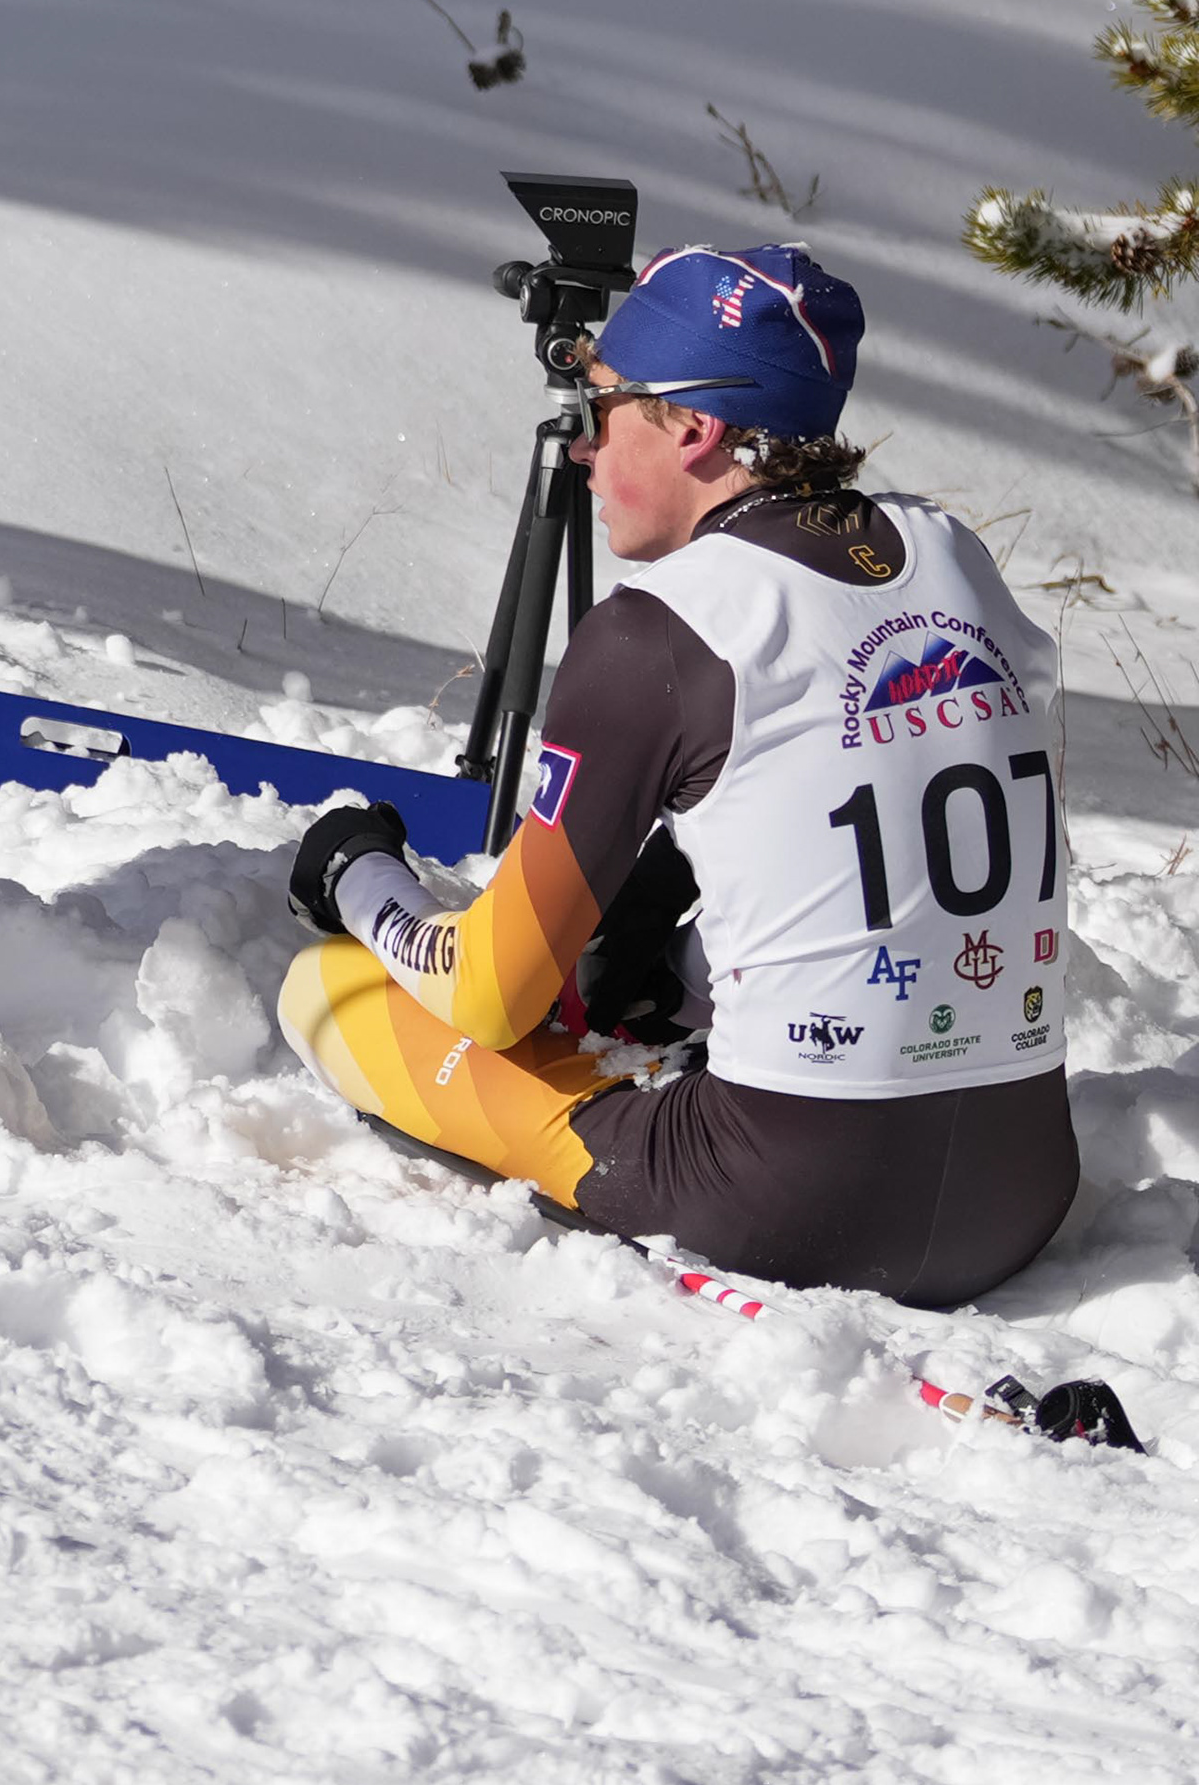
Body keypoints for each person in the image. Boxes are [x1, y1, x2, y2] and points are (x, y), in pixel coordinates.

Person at [279, 240, 1077, 1309]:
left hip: (785, 1210)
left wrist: (358, 877)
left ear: (695, 428)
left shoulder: (665, 626)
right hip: (1022, 1188)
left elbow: (487, 991)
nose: (581, 448)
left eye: (603, 408)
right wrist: (675, 941)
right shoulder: (948, 552)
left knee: (328, 989)